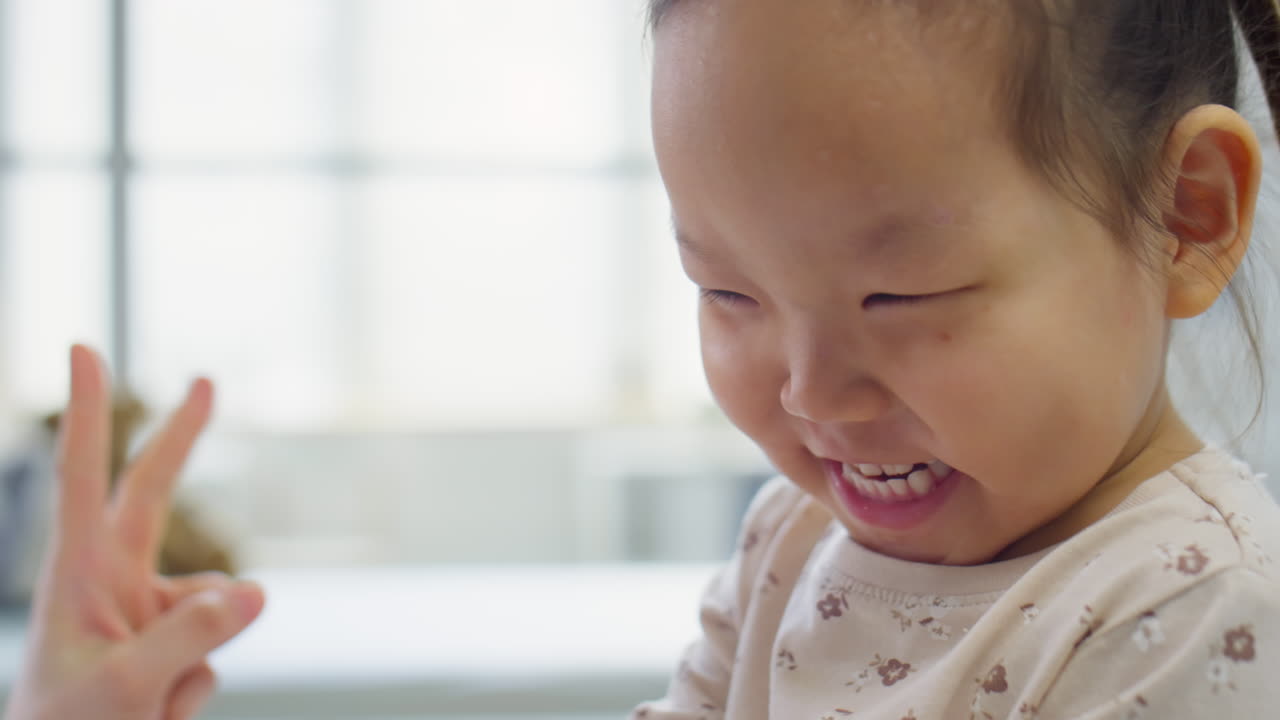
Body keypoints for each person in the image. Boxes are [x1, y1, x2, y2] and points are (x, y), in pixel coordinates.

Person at [3, 0, 1280, 718]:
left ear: (1185, 217)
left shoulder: (1199, 611)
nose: (806, 394)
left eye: (899, 293)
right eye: (723, 289)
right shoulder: (791, 547)